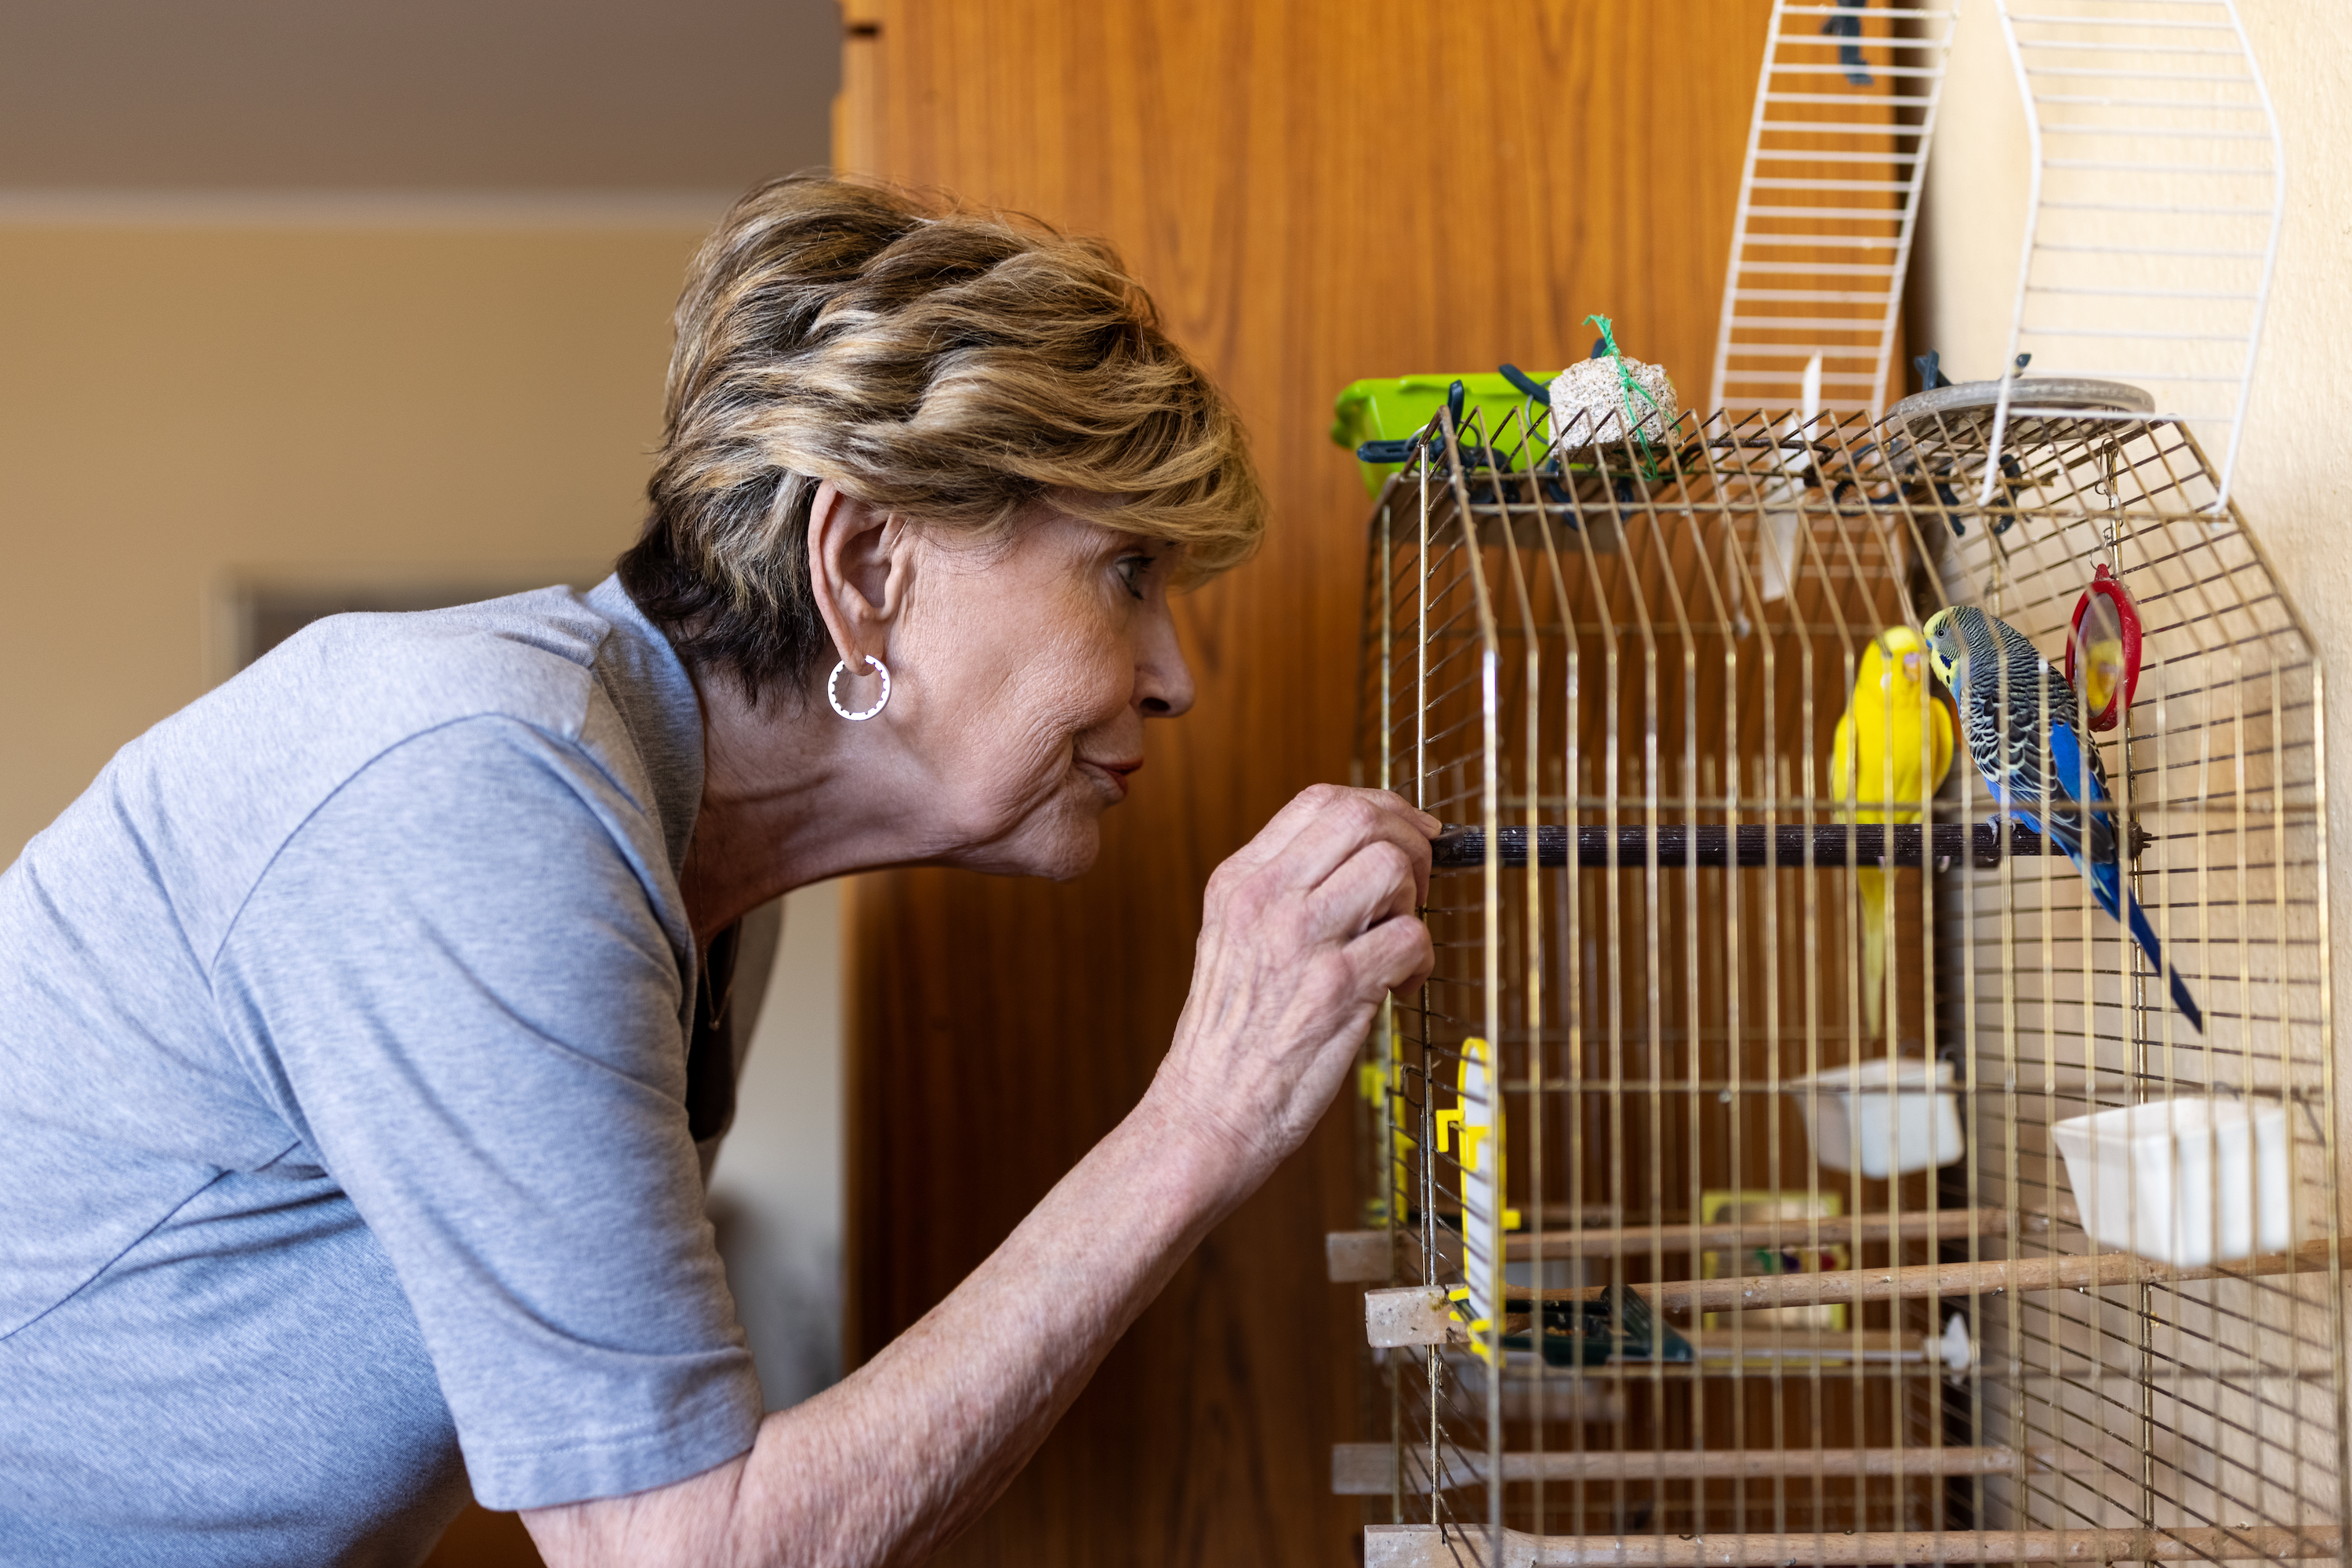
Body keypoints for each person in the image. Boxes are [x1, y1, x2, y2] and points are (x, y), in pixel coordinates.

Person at [0, 174, 1435, 1566]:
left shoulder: (694, 885)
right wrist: (1202, 1120)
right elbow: (678, 1548)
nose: (1174, 677)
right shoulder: (483, 777)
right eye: (1126, 573)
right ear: (865, 563)